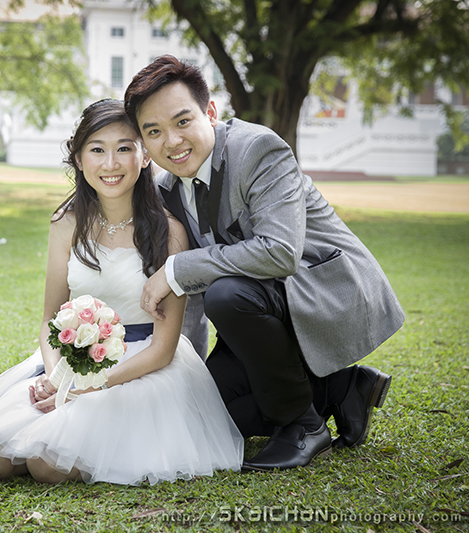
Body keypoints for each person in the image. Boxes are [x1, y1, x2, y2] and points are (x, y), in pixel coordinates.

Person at [0, 99, 244, 485]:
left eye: (124, 148)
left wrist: (88, 386)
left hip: (141, 368)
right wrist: (57, 374)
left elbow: (163, 348)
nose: (110, 164)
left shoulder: (169, 232)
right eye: (97, 149)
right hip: (70, 360)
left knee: (48, 465)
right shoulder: (66, 223)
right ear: (79, 159)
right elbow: (50, 317)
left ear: (144, 157)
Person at [123, 56, 405, 472]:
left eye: (183, 121)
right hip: (266, 317)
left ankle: (303, 426)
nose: (172, 141)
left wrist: (176, 270)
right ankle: (339, 389)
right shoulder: (166, 190)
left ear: (211, 113)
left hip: (322, 292)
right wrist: (188, 371)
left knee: (228, 293)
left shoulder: (258, 149)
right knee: (209, 412)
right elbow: (191, 297)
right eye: (154, 131)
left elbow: (279, 252)